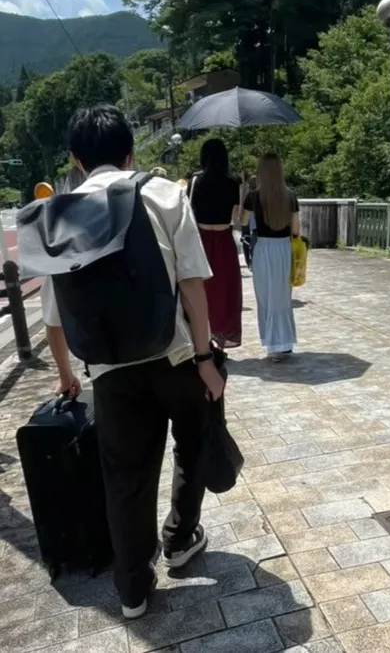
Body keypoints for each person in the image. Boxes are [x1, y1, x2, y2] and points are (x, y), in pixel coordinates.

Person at [42, 105, 225, 620]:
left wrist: (66, 375)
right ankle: (180, 539)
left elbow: (54, 317)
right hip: (177, 355)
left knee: (126, 477)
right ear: (129, 153)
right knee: (193, 444)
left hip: (109, 372)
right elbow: (193, 284)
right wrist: (206, 359)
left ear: (76, 159)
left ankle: (133, 590)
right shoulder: (163, 193)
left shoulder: (61, 214)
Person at [240, 153, 300, 361]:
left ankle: (272, 344)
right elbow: (296, 230)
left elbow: (242, 221)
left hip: (262, 248)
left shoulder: (253, 196)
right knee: (282, 297)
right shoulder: (290, 196)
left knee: (265, 297)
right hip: (283, 248)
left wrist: (243, 197)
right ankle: (284, 342)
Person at [188, 139, 243, 348]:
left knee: (202, 290)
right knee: (226, 291)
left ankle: (203, 339)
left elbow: (189, 212)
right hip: (224, 239)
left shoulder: (196, 181)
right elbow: (236, 218)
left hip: (201, 240)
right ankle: (222, 337)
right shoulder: (233, 182)